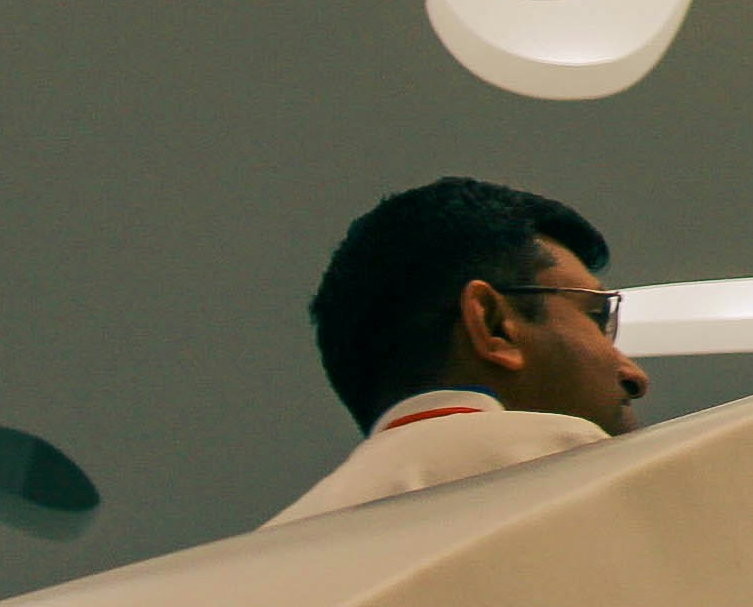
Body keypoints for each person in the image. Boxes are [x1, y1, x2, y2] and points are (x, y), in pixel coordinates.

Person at [268, 176, 651, 527]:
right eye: (596, 316)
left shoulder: (270, 545)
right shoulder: (556, 458)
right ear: (493, 324)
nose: (635, 376)